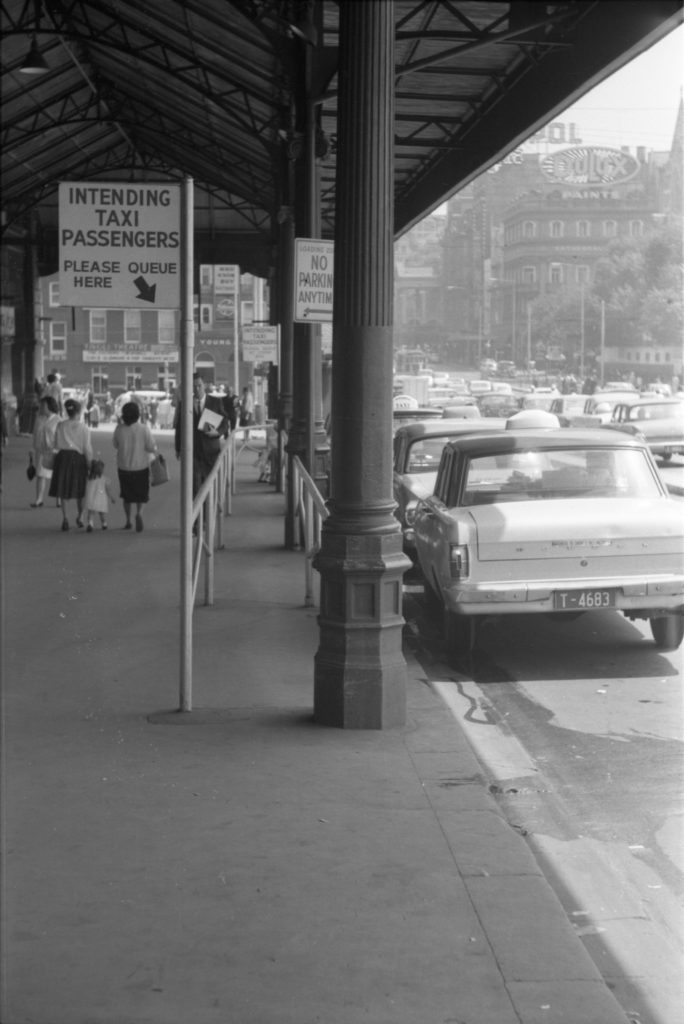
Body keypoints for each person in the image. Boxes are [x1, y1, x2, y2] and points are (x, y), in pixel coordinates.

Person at [174, 372, 230, 495]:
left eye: (199, 385)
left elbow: (225, 422)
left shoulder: (215, 402)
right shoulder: (185, 404)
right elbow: (180, 427)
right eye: (194, 386)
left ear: (204, 385)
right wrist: (178, 448)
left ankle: (209, 511)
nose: (197, 388)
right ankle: (196, 513)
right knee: (194, 487)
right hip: (192, 451)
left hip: (211, 451)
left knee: (210, 486)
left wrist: (218, 432)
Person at [112, 401, 158, 532]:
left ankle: (128, 521)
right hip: (141, 467)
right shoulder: (144, 429)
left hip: (124, 467)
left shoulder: (119, 429)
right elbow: (150, 446)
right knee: (141, 494)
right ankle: (139, 513)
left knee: (126, 496)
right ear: (138, 414)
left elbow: (115, 444)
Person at [49, 398, 93, 530]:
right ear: (79, 412)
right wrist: (90, 463)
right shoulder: (84, 428)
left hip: (62, 458)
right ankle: (80, 517)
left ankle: (65, 518)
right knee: (81, 490)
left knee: (63, 490)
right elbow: (87, 448)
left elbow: (55, 444)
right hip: (78, 459)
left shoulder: (60, 425)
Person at [29, 394, 60, 507]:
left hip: (53, 451)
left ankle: (59, 499)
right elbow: (35, 434)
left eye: (43, 405)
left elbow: (60, 436)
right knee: (40, 475)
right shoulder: (39, 418)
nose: (41, 407)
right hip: (40, 450)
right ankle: (39, 499)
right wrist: (32, 448)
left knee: (56, 476)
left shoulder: (58, 420)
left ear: (49, 406)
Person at [85, 458, 116, 532]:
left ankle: (90, 524)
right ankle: (104, 524)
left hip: (91, 499)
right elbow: (108, 490)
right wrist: (111, 497)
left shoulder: (89, 478)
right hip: (101, 500)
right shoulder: (105, 479)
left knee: (91, 513)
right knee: (101, 513)